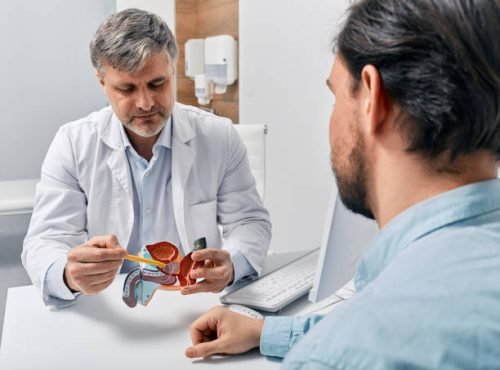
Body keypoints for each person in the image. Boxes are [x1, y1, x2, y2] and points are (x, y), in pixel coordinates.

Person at [184, 0, 500, 368]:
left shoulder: (335, 356)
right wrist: (265, 332)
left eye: (334, 96)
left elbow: (362, 341)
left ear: (371, 97)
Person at [21, 8, 271, 308]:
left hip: (193, 304)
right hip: (109, 307)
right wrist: (68, 275)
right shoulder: (73, 143)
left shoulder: (219, 136)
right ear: (101, 81)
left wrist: (233, 264)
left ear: (173, 70)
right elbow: (45, 240)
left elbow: (249, 221)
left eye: (157, 84)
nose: (146, 103)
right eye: (126, 88)